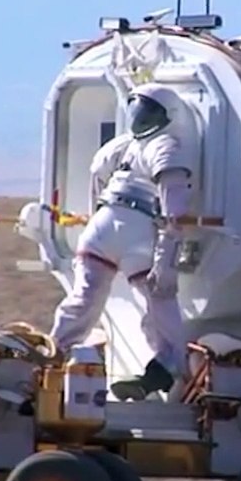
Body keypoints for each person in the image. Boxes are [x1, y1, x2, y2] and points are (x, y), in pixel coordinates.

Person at [48, 83, 197, 400]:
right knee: (159, 302)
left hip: (104, 227)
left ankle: (56, 352)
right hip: (137, 232)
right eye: (138, 111)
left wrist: (95, 217)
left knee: (85, 297)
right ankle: (169, 365)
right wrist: (166, 260)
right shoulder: (164, 147)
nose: (139, 119)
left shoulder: (126, 147)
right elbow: (174, 214)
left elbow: (97, 178)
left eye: (146, 112)